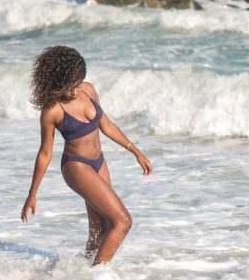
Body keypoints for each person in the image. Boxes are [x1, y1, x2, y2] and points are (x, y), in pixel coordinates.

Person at [20, 46, 152, 265]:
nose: (73, 91)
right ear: (56, 81)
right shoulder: (52, 110)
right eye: (68, 86)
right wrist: (32, 193)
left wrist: (135, 151)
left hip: (98, 162)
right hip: (76, 166)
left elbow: (107, 125)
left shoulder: (88, 90)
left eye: (76, 84)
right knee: (122, 221)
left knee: (99, 227)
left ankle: (82, 268)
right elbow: (45, 153)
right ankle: (97, 276)